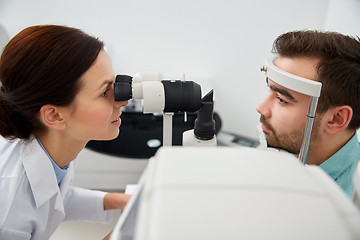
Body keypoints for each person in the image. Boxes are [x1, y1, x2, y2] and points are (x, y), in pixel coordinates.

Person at [0, 25, 131, 239]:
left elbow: (53, 197)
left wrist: (117, 200)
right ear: (54, 115)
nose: (123, 101)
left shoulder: (52, 146)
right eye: (105, 91)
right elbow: (30, 203)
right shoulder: (8, 209)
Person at [256, 30, 360, 198]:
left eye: (281, 99)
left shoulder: (342, 208)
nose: (261, 108)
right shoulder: (293, 147)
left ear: (336, 119)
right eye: (270, 89)